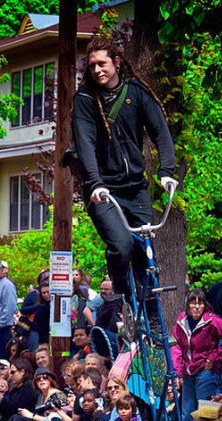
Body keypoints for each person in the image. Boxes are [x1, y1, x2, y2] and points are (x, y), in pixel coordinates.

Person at [72, 37, 177, 298]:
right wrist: (95, 183)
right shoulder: (85, 98)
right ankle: (119, 294)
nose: (97, 70)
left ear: (116, 62)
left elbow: (161, 134)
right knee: (121, 245)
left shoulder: (136, 92)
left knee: (146, 252)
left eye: (102, 64)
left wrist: (166, 173)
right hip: (104, 190)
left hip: (135, 189)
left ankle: (153, 321)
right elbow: (84, 143)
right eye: (92, 65)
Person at [171, 288, 222, 421]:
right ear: (187, 305)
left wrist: (213, 357)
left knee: (206, 414)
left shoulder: (213, 321)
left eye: (200, 303)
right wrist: (177, 371)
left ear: (205, 305)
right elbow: (176, 347)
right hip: (188, 374)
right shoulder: (181, 322)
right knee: (188, 416)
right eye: (193, 303)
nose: (196, 307)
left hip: (205, 373)